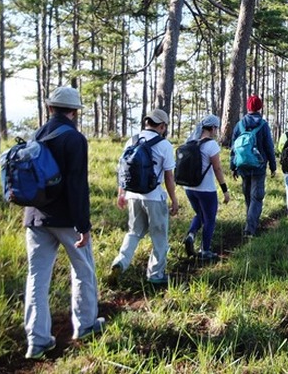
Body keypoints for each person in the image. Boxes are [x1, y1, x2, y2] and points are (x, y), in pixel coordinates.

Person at [23, 86, 104, 360]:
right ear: (74, 111)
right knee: (83, 270)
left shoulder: (36, 135)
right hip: (67, 219)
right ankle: (86, 326)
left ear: (50, 109)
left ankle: (37, 340)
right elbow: (77, 185)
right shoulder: (75, 139)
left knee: (37, 278)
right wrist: (84, 225)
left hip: (35, 218)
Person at [110, 108, 180, 285]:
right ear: (162, 126)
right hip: (154, 197)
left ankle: (120, 262)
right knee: (159, 237)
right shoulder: (164, 145)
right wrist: (174, 199)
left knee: (134, 232)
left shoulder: (131, 141)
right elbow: (169, 176)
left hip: (133, 195)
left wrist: (121, 193)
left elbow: (123, 171)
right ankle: (155, 275)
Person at [181, 114, 231, 261]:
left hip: (189, 188)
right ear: (213, 128)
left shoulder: (190, 141)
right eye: (217, 128)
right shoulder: (212, 145)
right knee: (209, 219)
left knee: (200, 214)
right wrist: (225, 190)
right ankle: (205, 250)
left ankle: (191, 235)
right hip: (206, 189)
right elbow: (217, 169)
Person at [230, 95, 277, 237]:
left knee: (248, 196)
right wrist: (273, 166)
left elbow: (233, 147)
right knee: (257, 197)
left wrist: (233, 166)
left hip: (242, 166)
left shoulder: (240, 125)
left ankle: (250, 223)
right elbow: (269, 147)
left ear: (247, 107)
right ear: (260, 107)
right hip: (259, 167)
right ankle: (250, 228)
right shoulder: (263, 125)